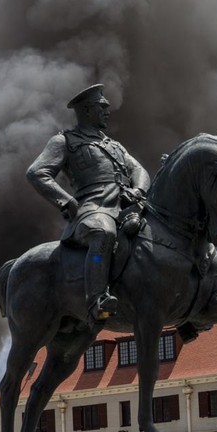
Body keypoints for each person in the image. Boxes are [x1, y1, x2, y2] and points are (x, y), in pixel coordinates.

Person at [26, 84, 150, 323]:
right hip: (92, 209)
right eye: (102, 107)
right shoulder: (65, 141)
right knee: (103, 235)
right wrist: (67, 202)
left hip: (126, 207)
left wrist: (138, 190)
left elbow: (139, 170)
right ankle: (97, 301)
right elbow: (36, 172)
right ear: (86, 111)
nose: (107, 111)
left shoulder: (114, 146)